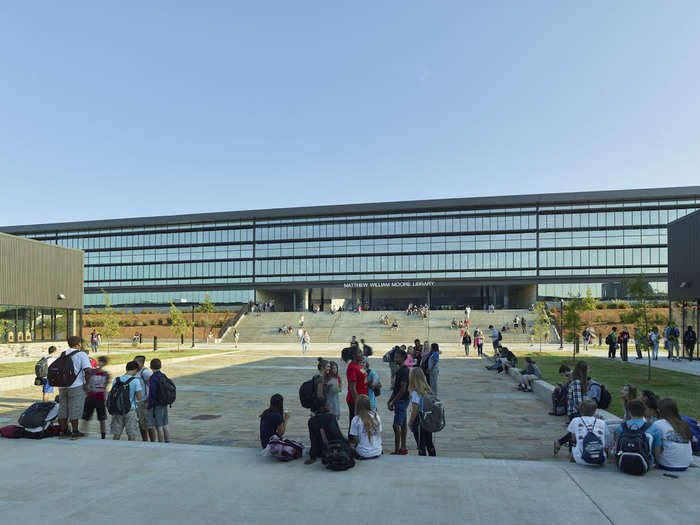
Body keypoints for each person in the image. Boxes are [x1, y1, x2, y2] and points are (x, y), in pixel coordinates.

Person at [57, 336, 93, 440]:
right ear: (79, 344)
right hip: (76, 385)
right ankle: (75, 432)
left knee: (63, 408)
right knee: (75, 408)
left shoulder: (62, 354)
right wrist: (87, 384)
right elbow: (88, 370)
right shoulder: (81, 354)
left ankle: (63, 431)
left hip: (62, 385)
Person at [554, 361, 588, 455]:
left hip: (573, 410)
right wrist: (584, 412)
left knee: (574, 431)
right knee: (576, 431)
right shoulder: (577, 381)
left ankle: (569, 450)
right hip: (575, 411)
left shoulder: (575, 380)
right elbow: (578, 401)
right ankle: (560, 442)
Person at [616, 399, 661, 466]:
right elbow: (657, 450)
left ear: (629, 412)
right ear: (644, 411)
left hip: (623, 463)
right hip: (646, 464)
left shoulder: (622, 427)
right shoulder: (653, 428)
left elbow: (617, 447)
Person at [652, 398, 693, 471]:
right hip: (686, 464)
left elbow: (657, 447)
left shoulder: (658, 424)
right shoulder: (683, 423)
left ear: (659, 410)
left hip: (667, 464)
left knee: (653, 441)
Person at [567, 400, 608, 465]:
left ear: (580, 410)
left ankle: (571, 466)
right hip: (600, 459)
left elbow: (573, 439)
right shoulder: (602, 422)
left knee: (574, 446)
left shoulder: (575, 420)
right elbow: (606, 441)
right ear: (594, 411)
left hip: (581, 459)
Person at [111, 361, 144, 441]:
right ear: (135, 369)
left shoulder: (117, 379)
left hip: (117, 409)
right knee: (131, 434)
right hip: (130, 409)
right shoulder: (135, 381)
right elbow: (139, 397)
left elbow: (112, 394)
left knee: (116, 434)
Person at [408, 368, 436, 456]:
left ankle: (422, 461)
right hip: (428, 418)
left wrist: (410, 423)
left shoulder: (416, 392)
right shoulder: (428, 390)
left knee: (421, 444)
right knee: (429, 442)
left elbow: (414, 410)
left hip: (419, 420)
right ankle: (433, 457)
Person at [82, 355, 110, 439]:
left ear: (105, 364)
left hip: (100, 398)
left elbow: (106, 386)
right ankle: (84, 432)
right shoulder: (91, 372)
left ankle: (103, 435)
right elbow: (86, 383)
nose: (101, 363)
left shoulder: (106, 374)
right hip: (90, 397)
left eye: (103, 362)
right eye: (100, 361)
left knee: (102, 418)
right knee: (86, 417)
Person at [387, 347, 409, 455]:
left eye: (397, 357)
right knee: (403, 424)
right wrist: (390, 399)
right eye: (395, 357)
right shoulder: (400, 370)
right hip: (401, 400)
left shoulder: (404, 370)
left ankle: (397, 449)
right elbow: (396, 388)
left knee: (396, 426)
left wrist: (393, 401)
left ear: (403, 358)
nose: (395, 359)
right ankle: (403, 447)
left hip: (402, 400)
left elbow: (402, 389)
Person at [349, 395, 382, 459]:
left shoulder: (356, 419)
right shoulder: (376, 416)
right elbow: (379, 433)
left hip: (363, 453)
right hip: (377, 451)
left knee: (349, 445)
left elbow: (356, 440)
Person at [147, 358, 171, 443]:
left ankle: (161, 444)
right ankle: (167, 441)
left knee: (159, 426)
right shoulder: (163, 375)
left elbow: (152, 393)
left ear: (150, 367)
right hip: (164, 403)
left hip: (156, 405)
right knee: (165, 425)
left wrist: (150, 405)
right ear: (160, 366)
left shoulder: (153, 378)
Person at [345, 347, 368, 431]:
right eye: (359, 353)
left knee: (360, 423)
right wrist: (358, 403)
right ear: (354, 356)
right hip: (355, 400)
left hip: (363, 398)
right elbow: (352, 388)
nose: (362, 354)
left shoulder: (358, 365)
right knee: (354, 423)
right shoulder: (352, 368)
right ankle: (352, 441)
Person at [134, 355, 155, 442]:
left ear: (142, 363)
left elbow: (154, 385)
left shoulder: (145, 372)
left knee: (149, 424)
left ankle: (153, 442)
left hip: (144, 402)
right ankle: (144, 441)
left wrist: (149, 399)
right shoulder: (135, 372)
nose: (134, 364)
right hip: (137, 402)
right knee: (141, 424)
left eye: (136, 362)